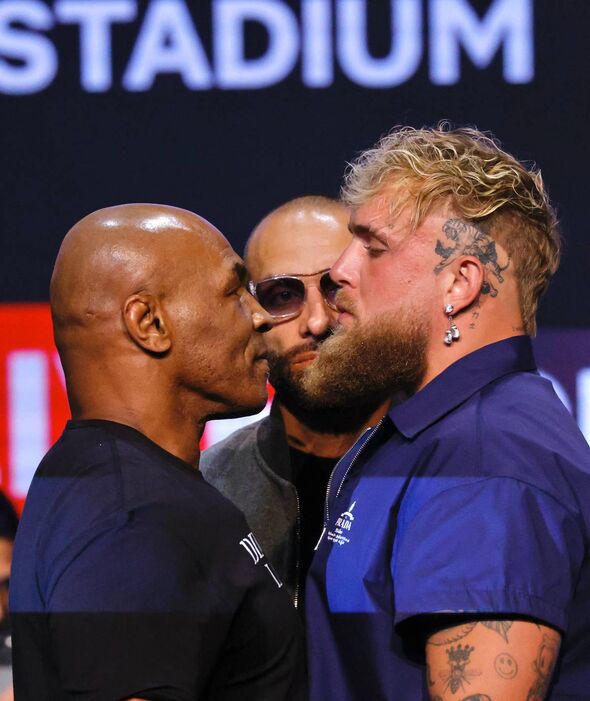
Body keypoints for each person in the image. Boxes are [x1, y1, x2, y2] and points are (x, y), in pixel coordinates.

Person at [303, 126, 590, 699]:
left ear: (459, 282)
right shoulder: (437, 437)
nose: (338, 269)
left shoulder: (487, 461)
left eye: (373, 246)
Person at [10, 204, 306, 700]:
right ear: (149, 322)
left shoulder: (95, 480)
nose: (259, 316)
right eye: (234, 292)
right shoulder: (137, 517)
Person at [201, 196, 389, 607]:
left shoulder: (438, 474)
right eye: (282, 296)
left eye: (336, 287)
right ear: (252, 313)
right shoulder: (207, 491)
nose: (317, 322)